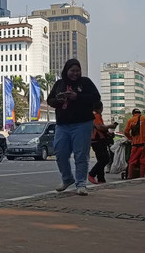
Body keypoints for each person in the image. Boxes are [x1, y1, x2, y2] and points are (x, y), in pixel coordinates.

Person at [46, 59, 100, 196]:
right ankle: (67, 178)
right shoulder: (59, 84)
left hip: (82, 123)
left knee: (81, 154)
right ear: (66, 71)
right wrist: (59, 99)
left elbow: (96, 98)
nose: (75, 74)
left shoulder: (85, 83)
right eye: (72, 71)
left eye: (77, 70)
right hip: (63, 124)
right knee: (60, 153)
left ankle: (81, 184)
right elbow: (50, 100)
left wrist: (77, 97)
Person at [88, 101, 118, 184]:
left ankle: (101, 178)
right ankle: (92, 173)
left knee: (100, 159)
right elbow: (100, 127)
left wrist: (107, 132)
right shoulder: (96, 115)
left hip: (96, 140)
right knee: (105, 159)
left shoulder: (94, 115)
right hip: (98, 140)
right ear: (100, 108)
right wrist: (110, 126)